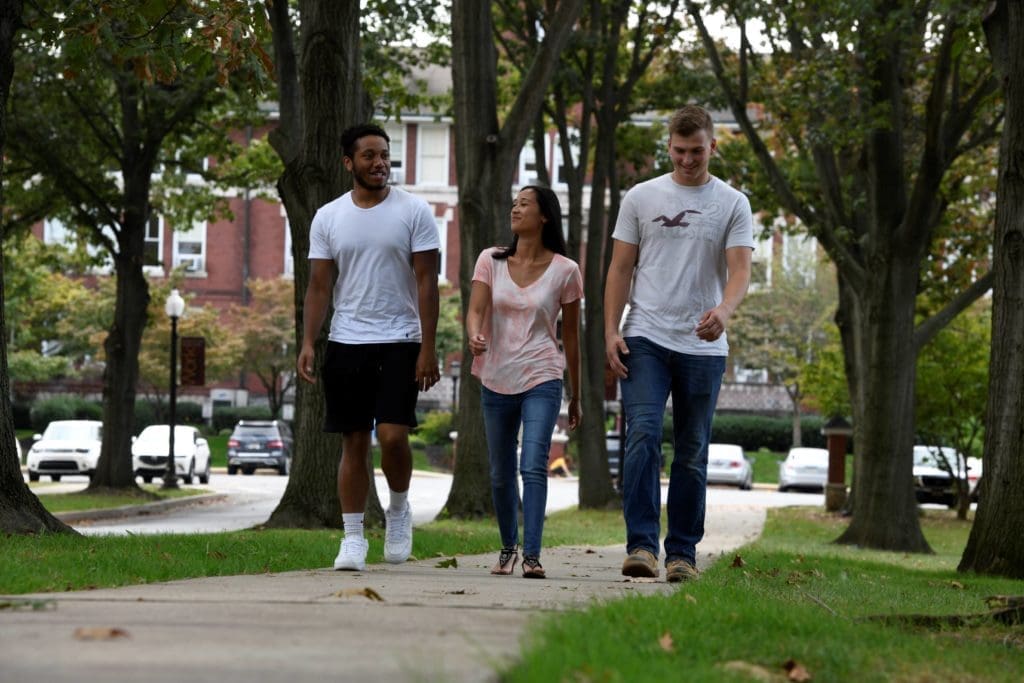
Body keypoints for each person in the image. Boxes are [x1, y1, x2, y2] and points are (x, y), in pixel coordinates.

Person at [604, 105, 754, 583]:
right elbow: (620, 269)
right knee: (643, 434)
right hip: (645, 335)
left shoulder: (732, 202)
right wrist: (611, 330)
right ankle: (642, 547)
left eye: (697, 150)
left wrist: (723, 313)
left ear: (713, 146)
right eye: (679, 150)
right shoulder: (641, 198)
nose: (688, 159)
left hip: (703, 347)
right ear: (668, 148)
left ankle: (682, 554)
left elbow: (740, 271)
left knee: (692, 450)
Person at [297, 123, 440, 572]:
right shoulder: (328, 217)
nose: (380, 163)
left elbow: (426, 282)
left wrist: (429, 347)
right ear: (349, 163)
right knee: (353, 440)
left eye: (385, 155)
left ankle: (398, 511)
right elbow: (319, 286)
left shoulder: (414, 212)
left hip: (400, 338)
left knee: (394, 436)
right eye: (369, 156)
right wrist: (306, 342)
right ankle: (353, 538)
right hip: (347, 340)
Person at [466, 185, 582, 579]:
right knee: (500, 473)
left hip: (542, 374)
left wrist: (576, 394)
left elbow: (571, 337)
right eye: (513, 202)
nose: (515, 208)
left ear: (544, 215)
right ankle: (507, 546)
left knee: (533, 464)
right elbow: (476, 309)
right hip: (496, 374)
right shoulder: (490, 260)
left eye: (524, 204)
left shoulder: (566, 270)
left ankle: (532, 555)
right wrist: (473, 334)